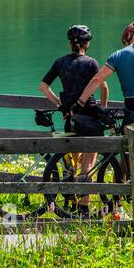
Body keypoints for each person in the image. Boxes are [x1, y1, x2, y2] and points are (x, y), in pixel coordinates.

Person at [73, 20, 134, 187]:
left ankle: (120, 201)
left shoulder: (118, 55)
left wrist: (80, 101)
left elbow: (98, 79)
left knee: (127, 159)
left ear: (128, 38)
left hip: (130, 116)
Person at [39, 24, 108, 215]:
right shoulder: (91, 63)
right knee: (88, 164)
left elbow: (43, 86)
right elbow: (103, 87)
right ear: (86, 43)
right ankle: (84, 208)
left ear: (70, 43)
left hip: (70, 118)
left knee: (71, 162)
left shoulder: (60, 62)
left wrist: (60, 105)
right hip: (89, 120)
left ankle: (70, 199)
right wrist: (102, 108)